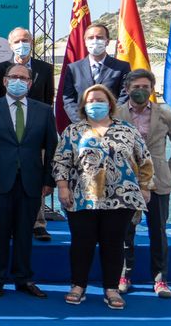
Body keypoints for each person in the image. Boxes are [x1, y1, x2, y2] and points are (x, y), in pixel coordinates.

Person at [54, 84, 154, 310]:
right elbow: (61, 160)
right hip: (82, 197)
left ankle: (111, 288)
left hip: (121, 198)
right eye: (90, 101)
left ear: (109, 103)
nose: (95, 104)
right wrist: (62, 187)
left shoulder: (128, 130)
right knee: (82, 243)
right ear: (83, 105)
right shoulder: (73, 130)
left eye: (99, 100)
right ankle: (78, 286)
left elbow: (145, 160)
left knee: (114, 244)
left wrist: (145, 187)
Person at [0, 63, 57, 299]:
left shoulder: (43, 110)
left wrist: (48, 180)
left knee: (24, 233)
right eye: (14, 77)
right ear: (5, 81)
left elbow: (52, 148)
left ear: (30, 84)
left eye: (24, 78)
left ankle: (24, 278)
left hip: (31, 181)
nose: (18, 81)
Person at [115, 69, 171, 298]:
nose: (141, 91)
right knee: (125, 232)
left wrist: (169, 169)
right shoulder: (115, 113)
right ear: (127, 89)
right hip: (124, 182)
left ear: (152, 89)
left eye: (146, 87)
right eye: (136, 87)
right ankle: (124, 275)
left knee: (158, 232)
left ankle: (160, 279)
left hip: (158, 182)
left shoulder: (165, 114)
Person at [0, 26, 56, 241]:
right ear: (10, 45)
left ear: (32, 42)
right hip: (7, 137)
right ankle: (8, 224)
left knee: (34, 180)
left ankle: (38, 223)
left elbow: (48, 100)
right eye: (17, 40)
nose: (22, 44)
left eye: (25, 39)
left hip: (35, 136)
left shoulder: (45, 69)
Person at [61, 21, 131, 124]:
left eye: (99, 37)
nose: (95, 41)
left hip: (112, 126)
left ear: (107, 41)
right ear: (85, 42)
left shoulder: (122, 67)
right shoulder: (73, 68)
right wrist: (83, 123)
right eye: (90, 38)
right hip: (82, 127)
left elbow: (124, 97)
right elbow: (68, 100)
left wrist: (109, 120)